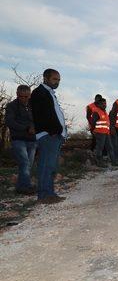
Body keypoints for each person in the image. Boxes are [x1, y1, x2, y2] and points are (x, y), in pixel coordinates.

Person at [30, 68, 68, 203]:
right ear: (46, 78)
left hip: (54, 135)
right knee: (46, 165)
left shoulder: (49, 93)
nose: (57, 82)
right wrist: (55, 130)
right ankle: (44, 195)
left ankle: (50, 193)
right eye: (54, 79)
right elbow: (42, 116)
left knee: (51, 166)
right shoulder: (39, 93)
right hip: (48, 135)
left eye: (58, 80)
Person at [5, 85, 37, 194]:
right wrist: (27, 128)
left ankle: (20, 186)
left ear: (30, 95)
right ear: (17, 94)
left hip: (32, 140)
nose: (24, 98)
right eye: (21, 96)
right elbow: (10, 122)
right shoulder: (11, 106)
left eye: (26, 96)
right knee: (24, 162)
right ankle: (26, 187)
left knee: (29, 164)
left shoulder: (34, 105)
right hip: (18, 139)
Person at [90, 98, 115, 167]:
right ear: (99, 105)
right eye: (103, 104)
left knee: (110, 147)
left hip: (106, 133)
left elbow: (107, 123)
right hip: (100, 133)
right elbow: (93, 123)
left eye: (105, 103)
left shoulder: (105, 112)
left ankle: (114, 162)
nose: (104, 105)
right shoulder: (96, 112)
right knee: (100, 148)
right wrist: (93, 131)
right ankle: (99, 162)